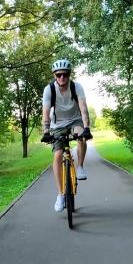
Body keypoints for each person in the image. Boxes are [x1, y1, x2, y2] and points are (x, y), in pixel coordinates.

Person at [40, 59, 92, 212]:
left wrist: (87, 127)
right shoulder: (49, 89)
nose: (62, 78)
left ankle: (80, 166)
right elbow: (46, 111)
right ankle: (60, 194)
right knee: (57, 155)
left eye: (65, 75)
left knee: (82, 135)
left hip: (75, 120)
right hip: (57, 125)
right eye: (58, 75)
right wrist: (46, 132)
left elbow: (83, 108)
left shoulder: (77, 87)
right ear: (55, 75)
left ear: (69, 75)